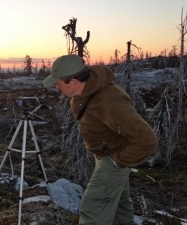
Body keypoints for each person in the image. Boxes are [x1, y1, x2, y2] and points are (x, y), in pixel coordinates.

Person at [42, 54, 158, 225]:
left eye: (57, 83)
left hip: (115, 157)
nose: (56, 87)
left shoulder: (110, 102)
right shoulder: (83, 93)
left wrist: (117, 162)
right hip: (106, 154)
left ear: (73, 82)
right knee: (119, 205)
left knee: (93, 208)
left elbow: (147, 140)